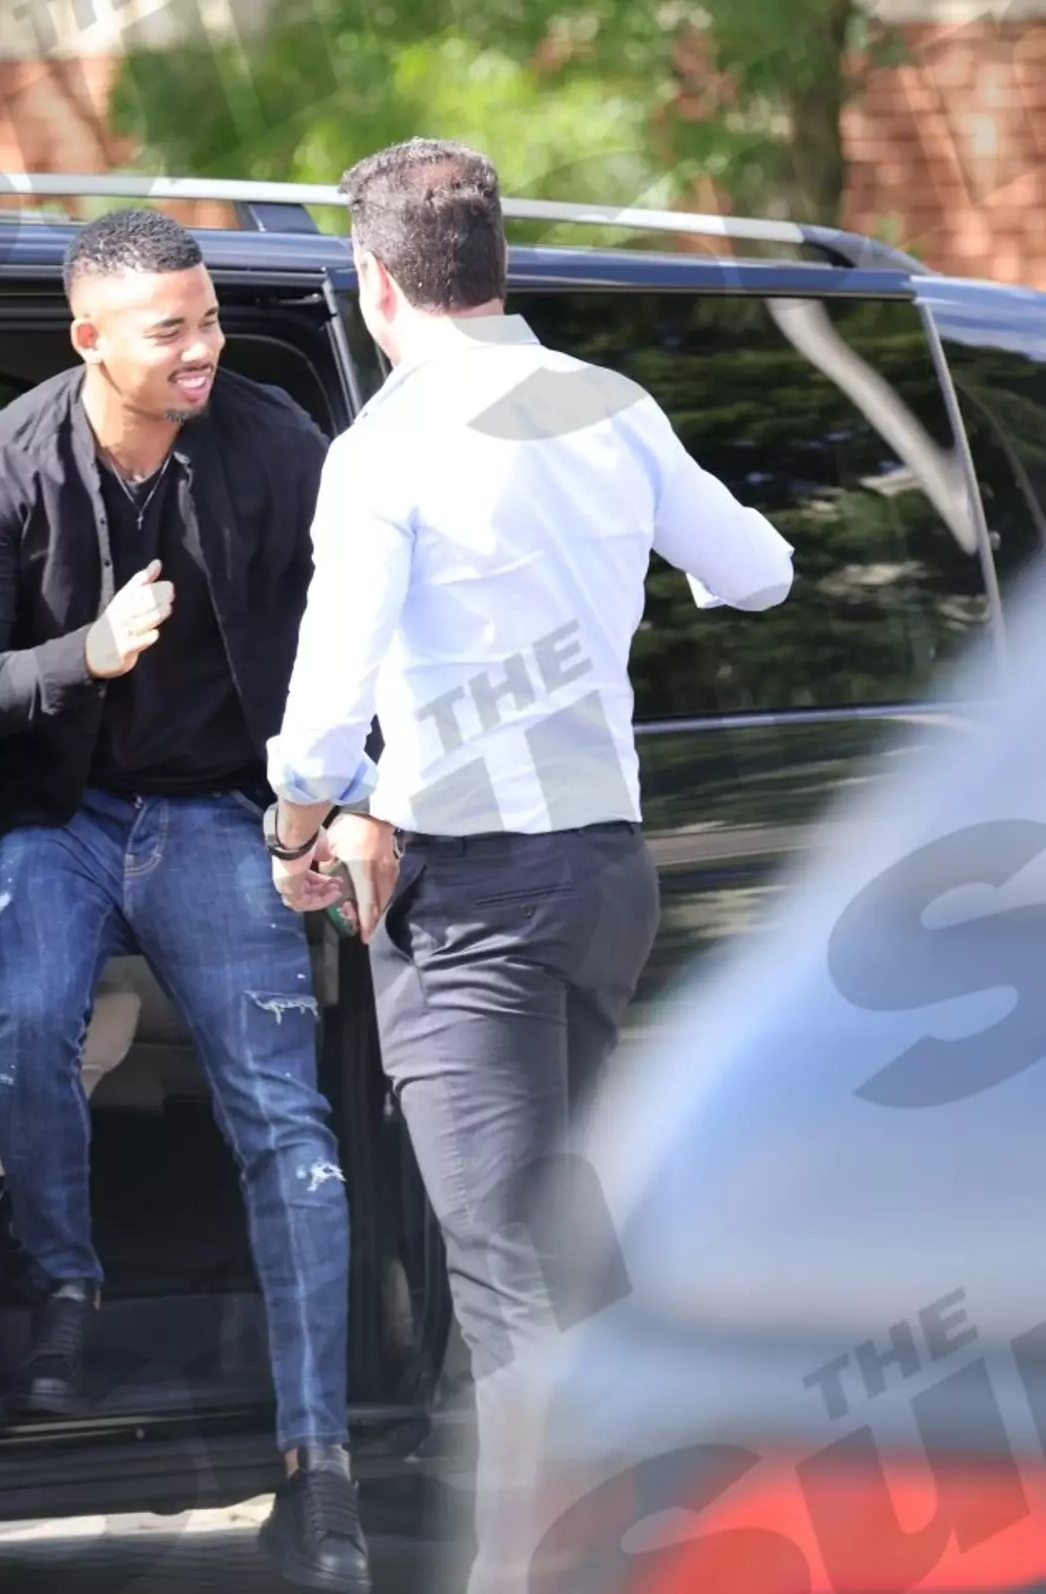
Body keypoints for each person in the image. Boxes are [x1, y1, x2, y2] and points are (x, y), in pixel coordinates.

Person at [260, 138, 796, 1589]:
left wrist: (302, 828)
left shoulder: (387, 447)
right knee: (570, 1254)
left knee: (511, 1286)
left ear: (375, 285)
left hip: (473, 900)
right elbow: (759, 570)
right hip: (607, 874)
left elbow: (324, 709)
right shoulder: (609, 406)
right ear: (498, 266)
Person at [0, 207, 372, 1593]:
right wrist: (85, 650)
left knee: (285, 1122)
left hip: (215, 814)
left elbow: (358, 629)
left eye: (212, 319)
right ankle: (65, 1277)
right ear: (90, 340)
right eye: (172, 327)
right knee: (34, 1015)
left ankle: (321, 1465)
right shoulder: (6, 460)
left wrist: (344, 801)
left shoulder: (275, 441)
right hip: (60, 820)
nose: (203, 347)